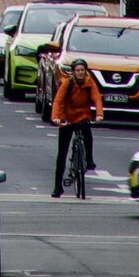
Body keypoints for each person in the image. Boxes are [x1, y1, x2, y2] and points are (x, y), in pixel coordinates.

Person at [49, 50, 103, 196]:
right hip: (67, 117)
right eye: (77, 70)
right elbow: (58, 100)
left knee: (87, 133)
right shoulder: (67, 83)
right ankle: (57, 186)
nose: (80, 73)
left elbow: (97, 98)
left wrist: (98, 114)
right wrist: (56, 117)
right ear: (73, 72)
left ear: (86, 72)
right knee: (62, 154)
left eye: (82, 70)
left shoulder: (89, 82)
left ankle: (89, 160)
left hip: (83, 116)